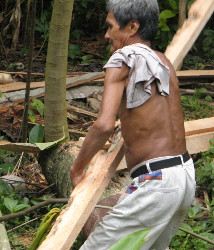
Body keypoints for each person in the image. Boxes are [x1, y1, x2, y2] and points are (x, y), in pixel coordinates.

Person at [68, 0, 195, 249]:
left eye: (110, 27)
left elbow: (103, 125)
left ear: (132, 27)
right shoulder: (163, 62)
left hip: (157, 182)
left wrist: (77, 169)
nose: (106, 35)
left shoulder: (121, 59)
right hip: (185, 175)